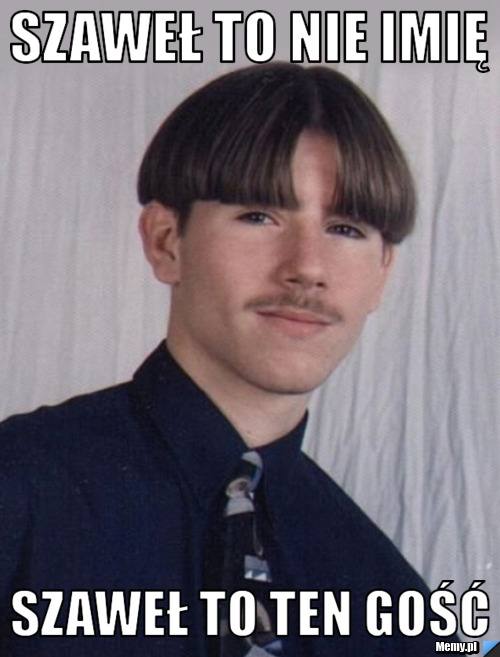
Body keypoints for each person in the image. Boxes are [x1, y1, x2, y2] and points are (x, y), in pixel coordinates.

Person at [0, 63, 445, 655]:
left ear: (382, 274)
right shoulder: (19, 492)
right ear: (166, 242)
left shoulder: (388, 600)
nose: (307, 267)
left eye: (345, 228)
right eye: (259, 216)